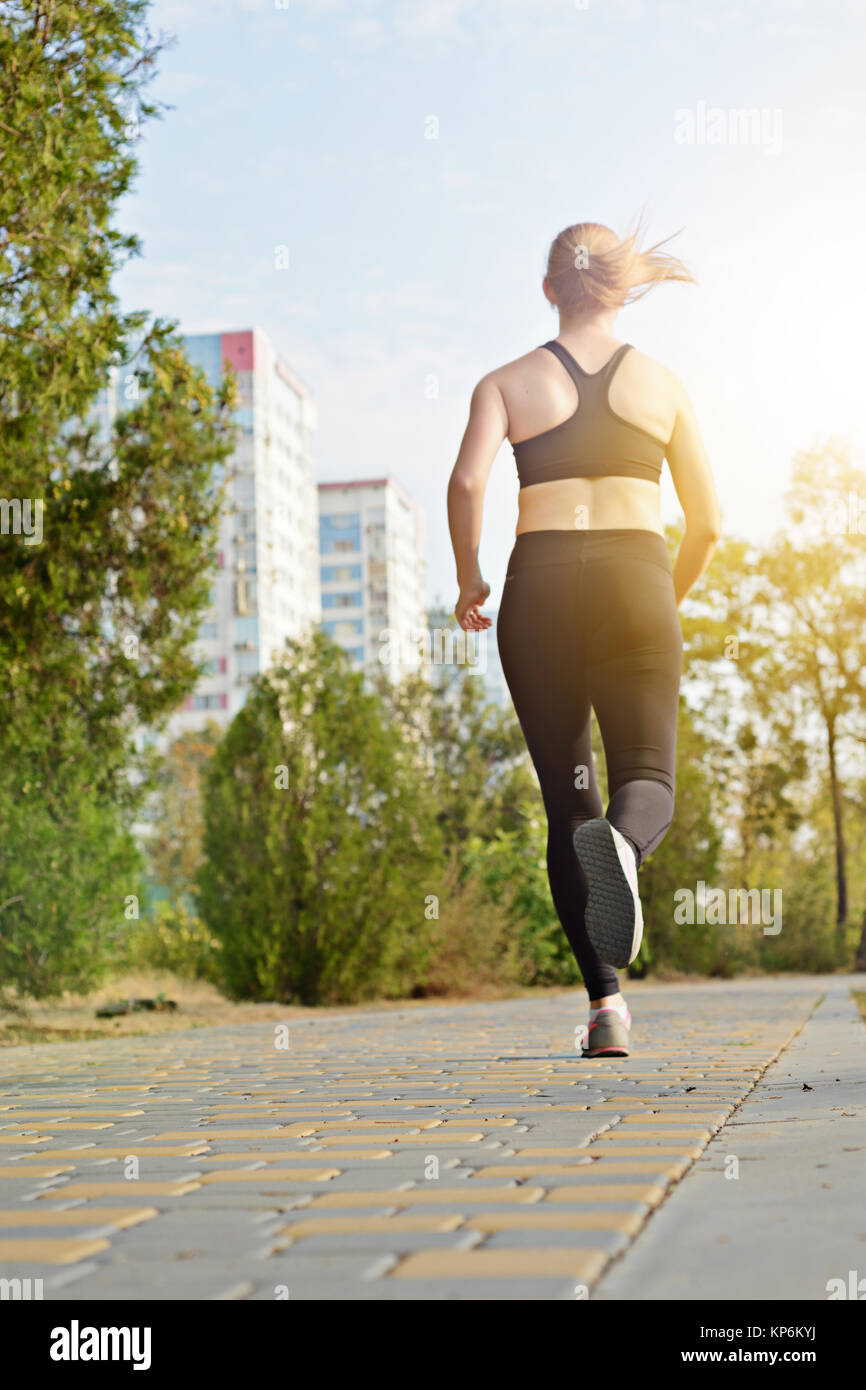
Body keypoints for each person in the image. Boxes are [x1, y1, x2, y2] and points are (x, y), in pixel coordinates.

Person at [446, 221, 721, 1057]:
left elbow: (465, 481)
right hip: (637, 580)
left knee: (570, 804)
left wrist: (469, 580)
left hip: (541, 593)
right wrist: (657, 608)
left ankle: (606, 1008)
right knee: (648, 778)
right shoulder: (664, 384)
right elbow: (708, 523)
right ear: (619, 286)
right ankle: (628, 852)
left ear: (548, 289)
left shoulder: (506, 381)